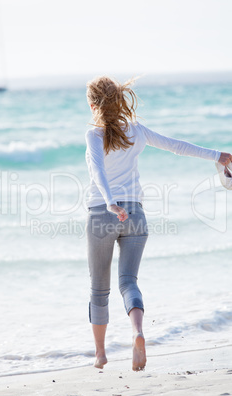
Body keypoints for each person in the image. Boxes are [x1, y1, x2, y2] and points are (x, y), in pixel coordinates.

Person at [84, 76, 232, 372]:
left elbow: (99, 172)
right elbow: (176, 146)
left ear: (92, 105)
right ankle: (137, 332)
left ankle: (100, 355)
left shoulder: (94, 135)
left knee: (99, 289)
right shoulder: (137, 131)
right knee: (129, 282)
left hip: (102, 213)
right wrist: (219, 155)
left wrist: (110, 201)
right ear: (118, 100)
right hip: (136, 215)